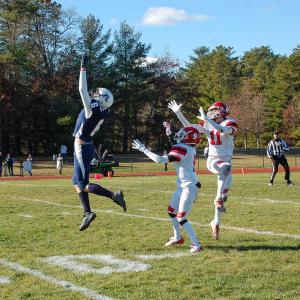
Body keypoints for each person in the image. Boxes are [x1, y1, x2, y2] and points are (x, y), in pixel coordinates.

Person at [168, 100, 238, 240]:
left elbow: (222, 130)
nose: (211, 112)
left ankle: (215, 221)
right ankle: (218, 199)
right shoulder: (207, 123)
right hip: (213, 160)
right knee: (225, 168)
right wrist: (178, 113)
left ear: (223, 111)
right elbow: (189, 126)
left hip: (226, 161)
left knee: (224, 197)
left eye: (215, 110)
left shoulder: (230, 122)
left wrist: (207, 120)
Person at [72, 53, 126, 231]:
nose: (94, 94)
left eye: (97, 94)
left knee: (83, 184)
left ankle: (113, 196)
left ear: (101, 98)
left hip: (82, 147)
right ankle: (87, 212)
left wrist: (83, 68)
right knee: (76, 184)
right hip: (86, 146)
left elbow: (81, 89)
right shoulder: (103, 111)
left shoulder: (92, 110)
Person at [132, 126, 203, 253]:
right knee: (171, 211)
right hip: (183, 186)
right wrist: (169, 135)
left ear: (189, 138)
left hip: (189, 187)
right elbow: (175, 147)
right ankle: (177, 237)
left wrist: (143, 149)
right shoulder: (187, 148)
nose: (180, 135)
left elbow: (160, 160)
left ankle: (196, 245)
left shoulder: (183, 148)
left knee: (181, 217)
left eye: (184, 134)